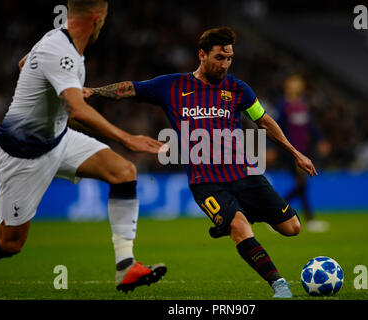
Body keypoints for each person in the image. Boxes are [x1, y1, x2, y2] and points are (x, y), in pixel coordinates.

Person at [84, 26, 318, 298]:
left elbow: (263, 120)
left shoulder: (238, 89)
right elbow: (129, 89)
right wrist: (94, 91)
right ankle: (279, 286)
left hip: (244, 174)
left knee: (292, 228)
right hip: (206, 182)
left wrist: (295, 152)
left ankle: (231, 219)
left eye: (229, 58)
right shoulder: (171, 86)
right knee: (239, 228)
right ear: (202, 55)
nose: (225, 64)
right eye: (219, 57)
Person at [0, 0, 167, 294]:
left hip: (57, 138)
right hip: (23, 155)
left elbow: (24, 64)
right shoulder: (61, 51)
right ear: (98, 17)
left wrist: (57, 84)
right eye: (105, 19)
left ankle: (126, 267)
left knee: (123, 171)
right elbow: (78, 111)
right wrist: (127, 138)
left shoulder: (57, 40)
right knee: (10, 244)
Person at [274, 75, 330, 233]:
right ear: (288, 86)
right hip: (291, 152)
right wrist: (274, 148)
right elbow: (276, 127)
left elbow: (310, 126)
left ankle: (277, 213)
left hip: (303, 151)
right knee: (302, 184)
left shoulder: (303, 105)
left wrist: (320, 139)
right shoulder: (283, 106)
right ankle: (283, 214)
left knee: (302, 185)